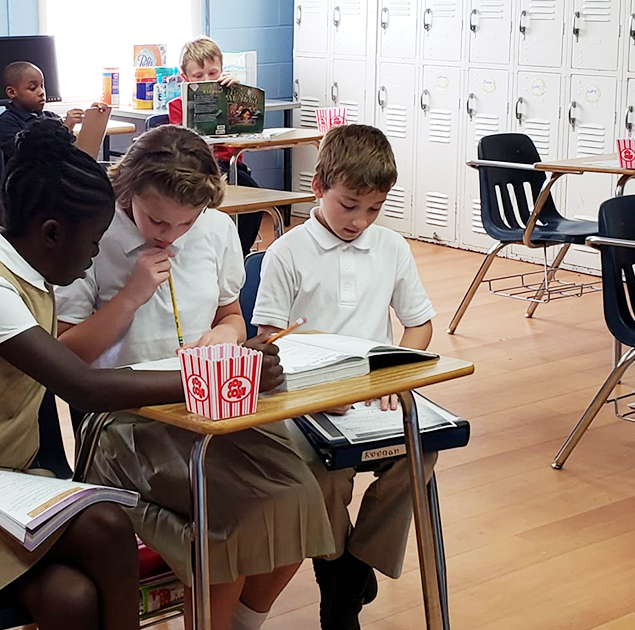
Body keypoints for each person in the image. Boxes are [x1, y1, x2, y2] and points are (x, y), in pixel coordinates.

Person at [0, 119, 286, 630]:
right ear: (51, 233)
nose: (94, 257)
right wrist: (219, 377)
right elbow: (83, 386)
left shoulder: (25, 273)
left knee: (72, 598)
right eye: (91, 245)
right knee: (105, 525)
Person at [55, 124, 334, 630]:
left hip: (207, 406)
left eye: (185, 224)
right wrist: (131, 296)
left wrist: (226, 337)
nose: (168, 234)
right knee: (229, 511)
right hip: (122, 418)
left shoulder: (215, 229)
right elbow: (67, 357)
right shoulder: (90, 232)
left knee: (303, 494)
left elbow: (231, 315)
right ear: (127, 186)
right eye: (156, 218)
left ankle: (243, 620)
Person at [251, 125, 437, 630]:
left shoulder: (391, 246)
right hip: (310, 399)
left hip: (373, 392)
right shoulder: (286, 253)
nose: (360, 220)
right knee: (322, 476)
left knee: (422, 450)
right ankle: (340, 582)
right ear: (318, 187)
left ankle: (350, 567)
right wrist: (315, 392)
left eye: (373, 209)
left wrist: (397, 378)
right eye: (349, 205)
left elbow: (419, 324)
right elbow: (270, 344)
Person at [167, 36, 263, 256]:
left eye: (213, 73)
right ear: (185, 78)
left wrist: (239, 96)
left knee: (253, 197)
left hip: (229, 166)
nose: (208, 79)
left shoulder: (231, 94)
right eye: (198, 76)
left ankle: (240, 253)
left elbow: (247, 130)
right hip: (194, 167)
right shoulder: (177, 106)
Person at [0, 61, 102, 163]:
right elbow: (29, 153)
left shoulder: (52, 118)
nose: (41, 92)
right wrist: (65, 128)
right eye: (33, 88)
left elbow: (72, 151)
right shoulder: (8, 121)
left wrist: (92, 118)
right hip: (29, 180)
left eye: (42, 86)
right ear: (12, 92)